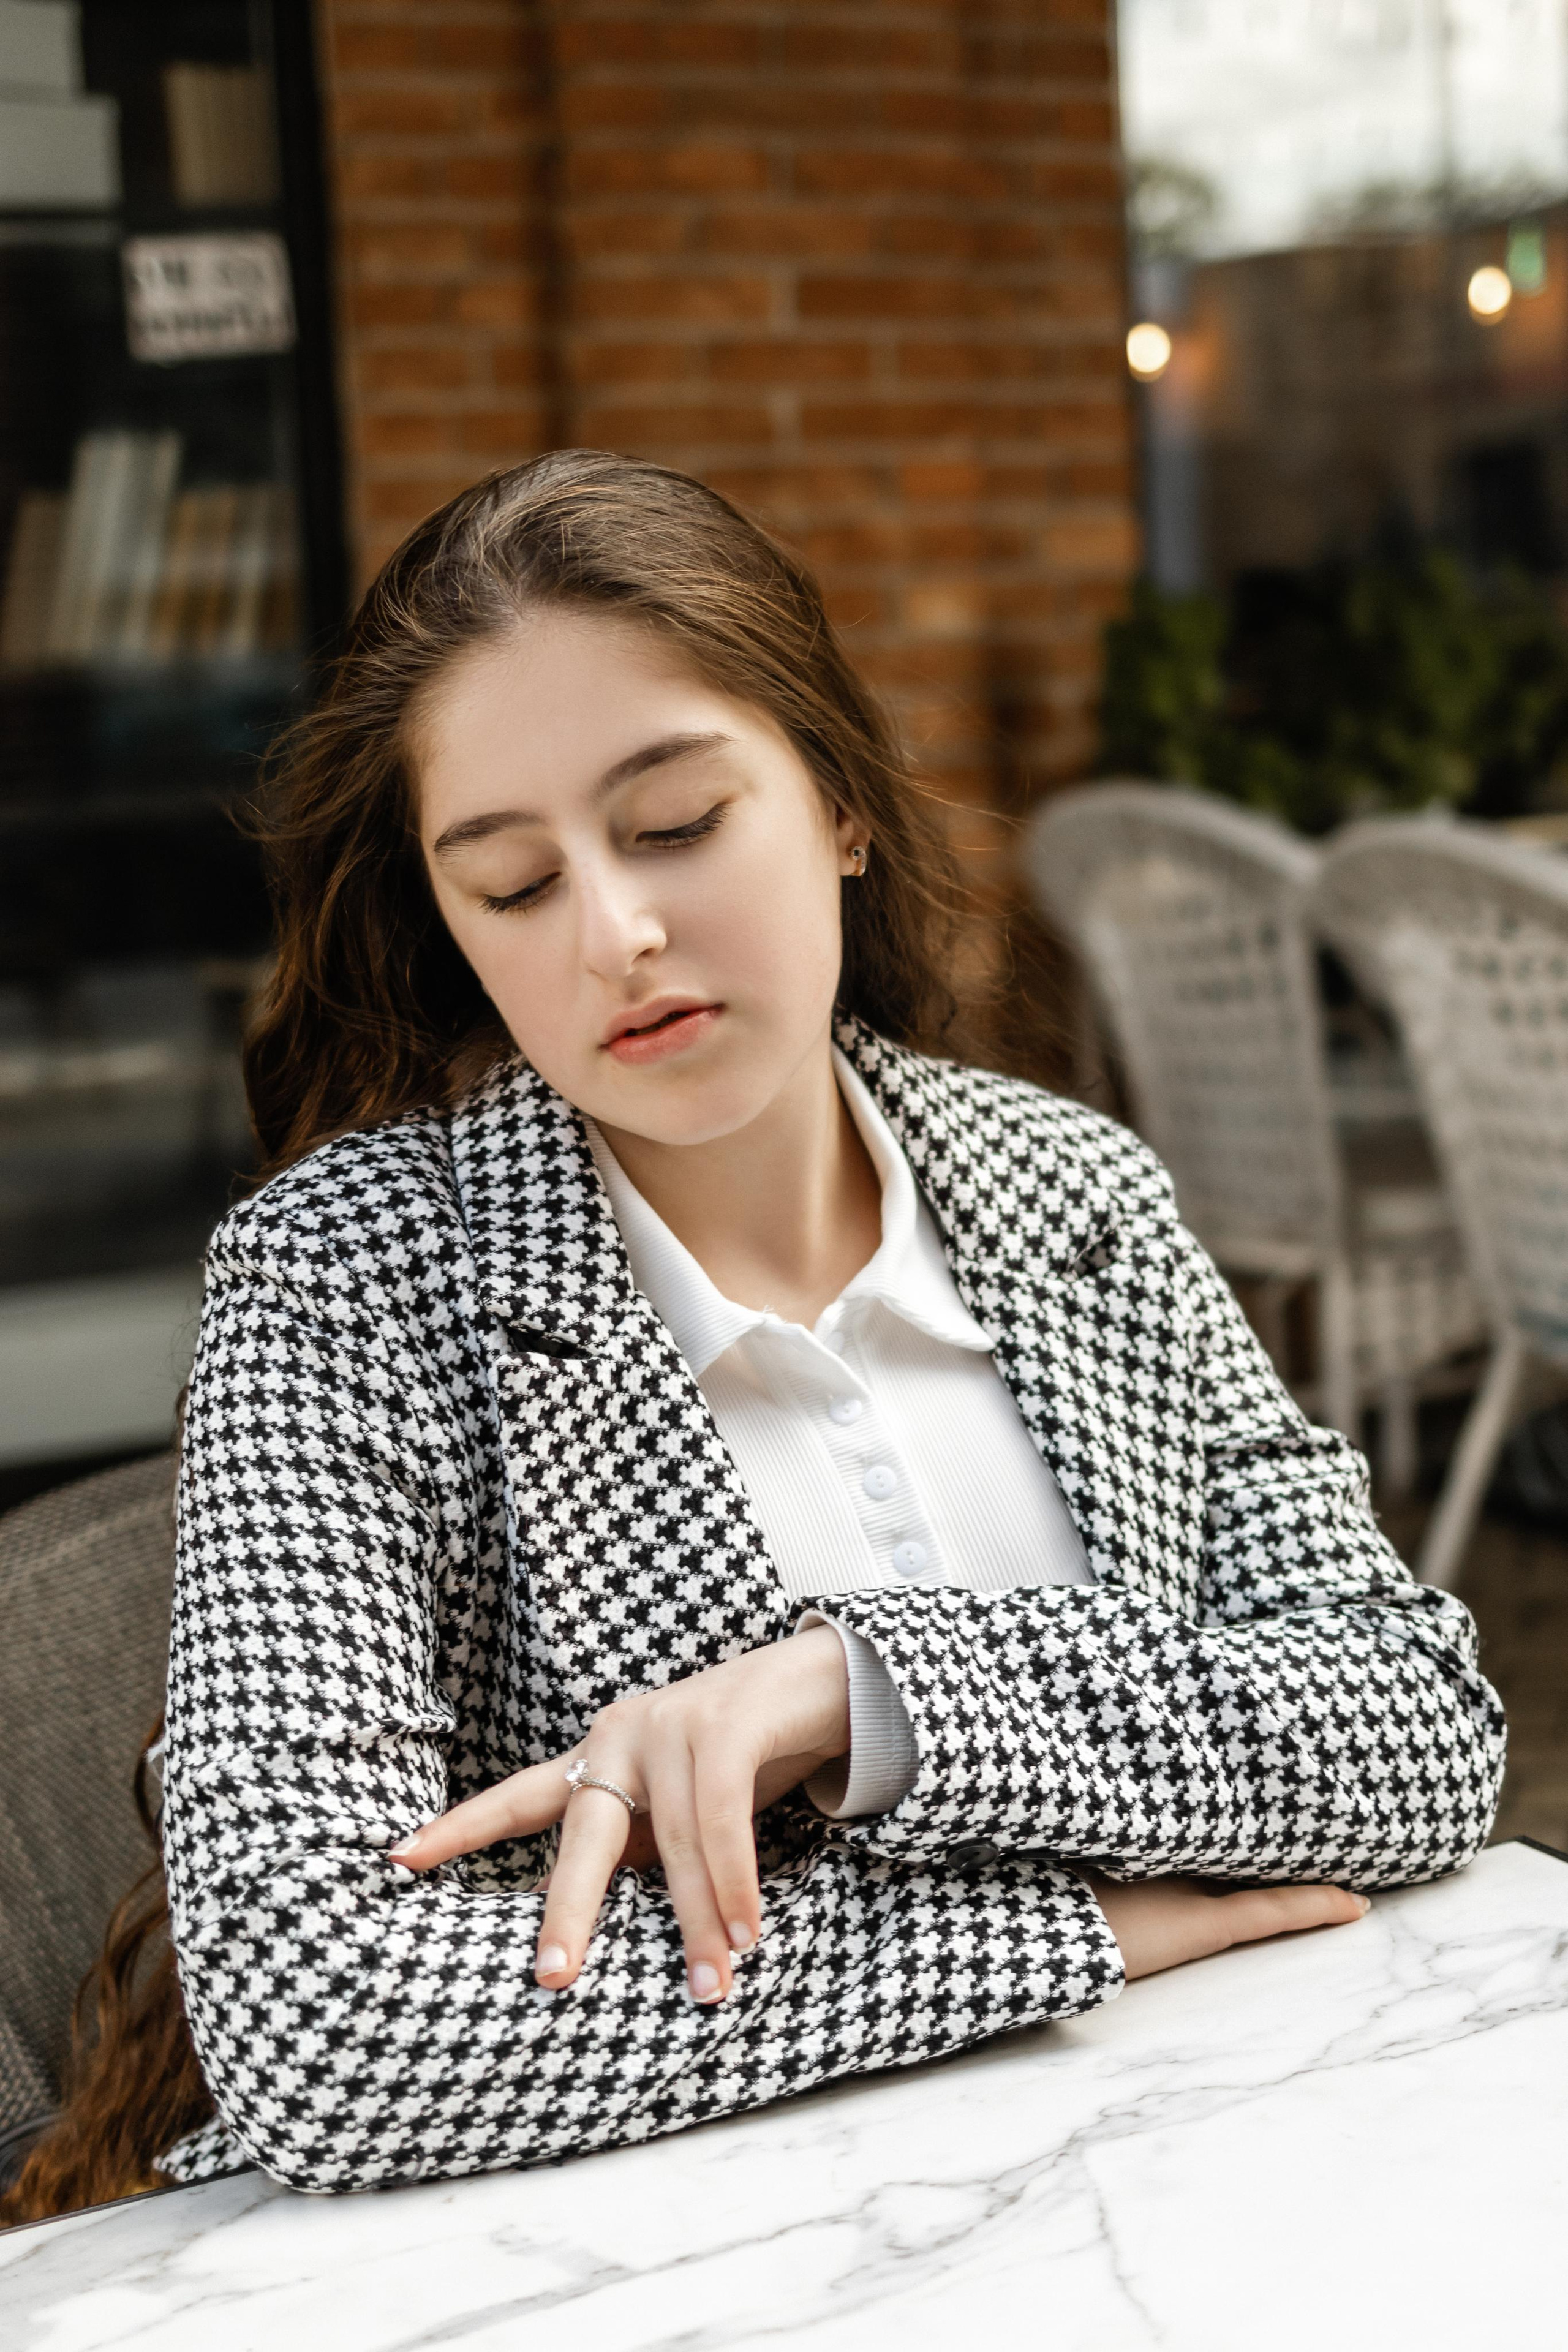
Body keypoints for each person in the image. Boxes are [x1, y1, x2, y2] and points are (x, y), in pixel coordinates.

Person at [10, 452, 1505, 2210]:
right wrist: (1078, 1935)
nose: (616, 936)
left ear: (843, 808)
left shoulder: (1073, 1192)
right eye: (510, 884)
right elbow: (322, 2034)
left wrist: (863, 1690)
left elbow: (1417, 1720)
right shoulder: (343, 1281)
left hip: (1206, 2194)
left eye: (673, 825)